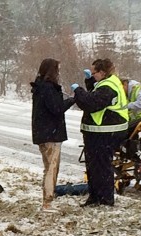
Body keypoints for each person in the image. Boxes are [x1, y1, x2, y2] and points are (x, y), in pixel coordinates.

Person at [71, 58, 129, 207]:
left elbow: (91, 103)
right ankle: (95, 197)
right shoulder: (108, 82)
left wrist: (78, 91)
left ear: (102, 72)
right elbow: (95, 95)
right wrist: (89, 82)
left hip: (106, 133)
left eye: (94, 72)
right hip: (99, 133)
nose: (93, 74)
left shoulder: (108, 87)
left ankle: (105, 199)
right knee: (94, 166)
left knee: (102, 167)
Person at [31, 58, 75, 212]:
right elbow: (57, 109)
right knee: (52, 168)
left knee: (48, 167)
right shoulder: (48, 89)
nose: (59, 73)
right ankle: (47, 202)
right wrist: (72, 100)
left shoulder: (39, 87)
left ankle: (47, 200)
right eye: (57, 70)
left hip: (43, 133)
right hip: (51, 134)